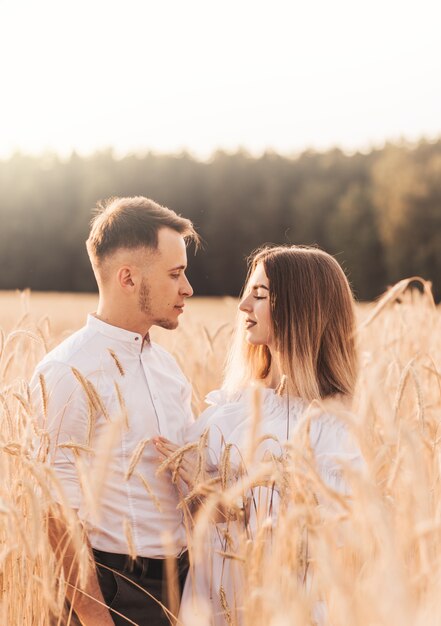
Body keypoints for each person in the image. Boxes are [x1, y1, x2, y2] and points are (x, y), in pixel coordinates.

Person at [155, 244, 362, 626]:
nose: (243, 306)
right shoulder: (227, 408)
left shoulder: (330, 428)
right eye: (248, 291)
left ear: (299, 308)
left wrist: (221, 502)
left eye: (260, 295)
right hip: (210, 605)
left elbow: (318, 551)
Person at [31, 196, 199, 626]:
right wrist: (94, 614)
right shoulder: (68, 370)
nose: (188, 288)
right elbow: (56, 511)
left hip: (185, 585)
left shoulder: (168, 369)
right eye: (175, 274)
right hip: (117, 591)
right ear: (128, 277)